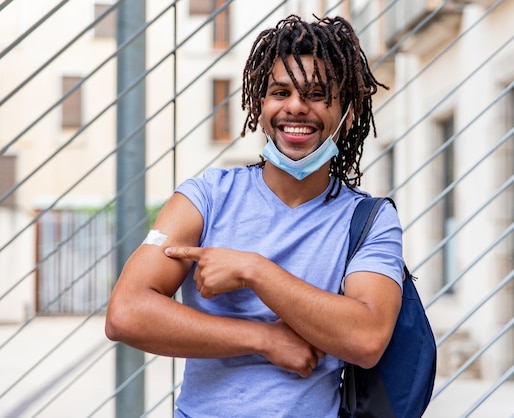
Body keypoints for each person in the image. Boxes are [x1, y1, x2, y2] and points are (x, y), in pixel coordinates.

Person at [105, 14, 404, 418]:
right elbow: (126, 313)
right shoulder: (206, 197)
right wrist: (262, 337)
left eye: (316, 94)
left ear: (348, 114)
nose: (296, 107)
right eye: (280, 92)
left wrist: (254, 270)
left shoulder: (369, 220)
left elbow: (367, 338)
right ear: (259, 107)